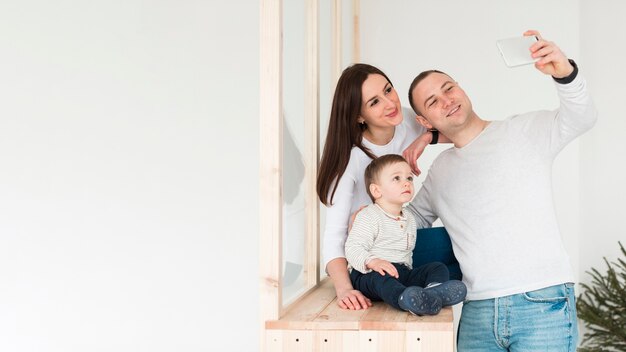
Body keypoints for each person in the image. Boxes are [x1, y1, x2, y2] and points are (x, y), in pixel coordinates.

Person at [406, 30, 597, 351]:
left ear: (461, 89)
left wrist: (565, 73)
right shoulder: (440, 171)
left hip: (542, 300)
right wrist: (371, 208)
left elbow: (582, 117)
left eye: (448, 88)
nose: (447, 100)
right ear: (425, 121)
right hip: (478, 309)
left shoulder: (521, 130)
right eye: (433, 102)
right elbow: (408, 225)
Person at [316, 63, 441, 310]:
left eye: (388, 90)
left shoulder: (406, 120)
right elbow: (334, 235)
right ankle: (409, 293)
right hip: (367, 257)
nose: (389, 103)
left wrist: (428, 136)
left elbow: (450, 127)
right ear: (358, 116)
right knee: (458, 251)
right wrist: (345, 289)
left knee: (464, 246)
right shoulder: (349, 162)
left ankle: (427, 292)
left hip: (402, 245)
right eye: (374, 102)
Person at [345, 154, 466, 315]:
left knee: (437, 267)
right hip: (369, 274)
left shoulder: (408, 217)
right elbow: (353, 247)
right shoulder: (369, 215)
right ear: (376, 190)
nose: (406, 183)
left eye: (409, 178)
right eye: (397, 178)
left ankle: (433, 292)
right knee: (383, 280)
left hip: (402, 272)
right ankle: (405, 301)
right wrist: (372, 262)